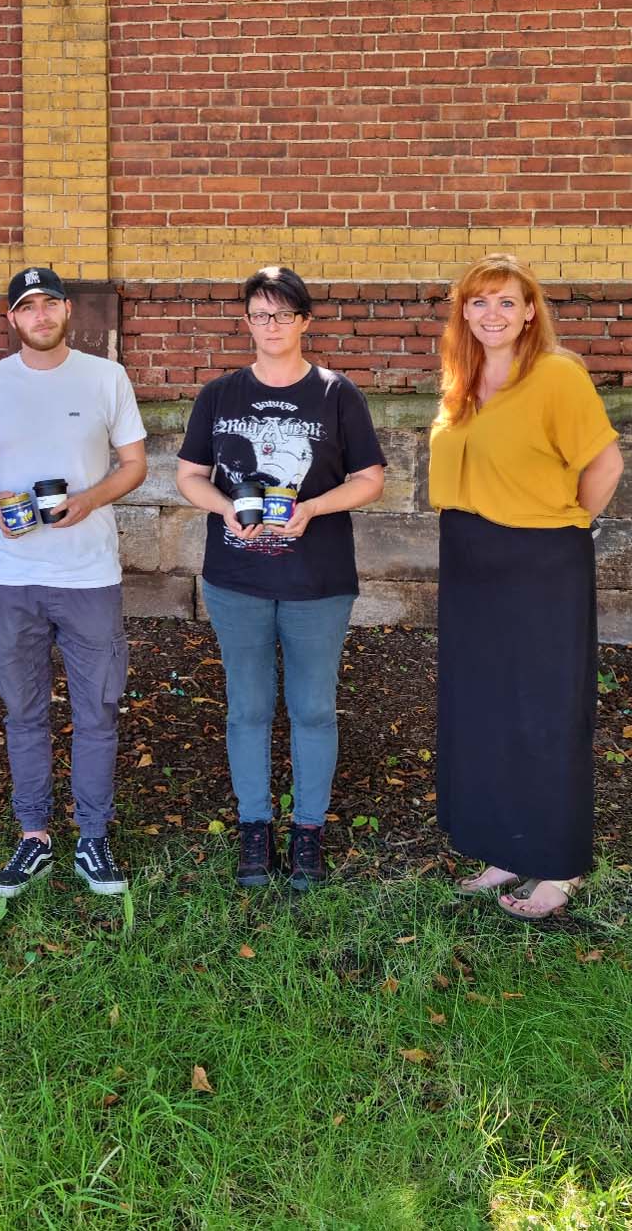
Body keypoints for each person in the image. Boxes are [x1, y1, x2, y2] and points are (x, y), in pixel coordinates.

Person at [175, 266, 387, 891]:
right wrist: (223, 510)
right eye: (260, 315)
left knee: (314, 709)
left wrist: (313, 510)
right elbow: (190, 475)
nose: (272, 326)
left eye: (284, 315)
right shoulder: (219, 395)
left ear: (304, 322)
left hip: (317, 580)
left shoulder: (336, 393)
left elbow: (370, 478)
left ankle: (308, 833)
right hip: (236, 577)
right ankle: (254, 827)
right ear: (247, 322)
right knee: (248, 708)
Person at [428, 253, 624, 921]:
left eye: (506, 302)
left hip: (540, 563)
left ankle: (559, 865)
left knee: (544, 714)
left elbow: (605, 463)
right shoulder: (464, 378)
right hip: (469, 559)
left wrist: (565, 527)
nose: (491, 315)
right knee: (485, 711)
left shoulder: (557, 375)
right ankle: (504, 849)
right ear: (464, 312)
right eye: (478, 302)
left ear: (531, 310)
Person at [0, 267, 149, 899]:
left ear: (67, 311)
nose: (40, 315)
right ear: (12, 318)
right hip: (11, 577)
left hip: (89, 574)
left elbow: (134, 464)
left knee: (97, 711)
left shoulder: (105, 377)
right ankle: (33, 836)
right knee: (24, 711)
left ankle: (93, 837)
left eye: (49, 304)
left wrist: (87, 501)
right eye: (26, 307)